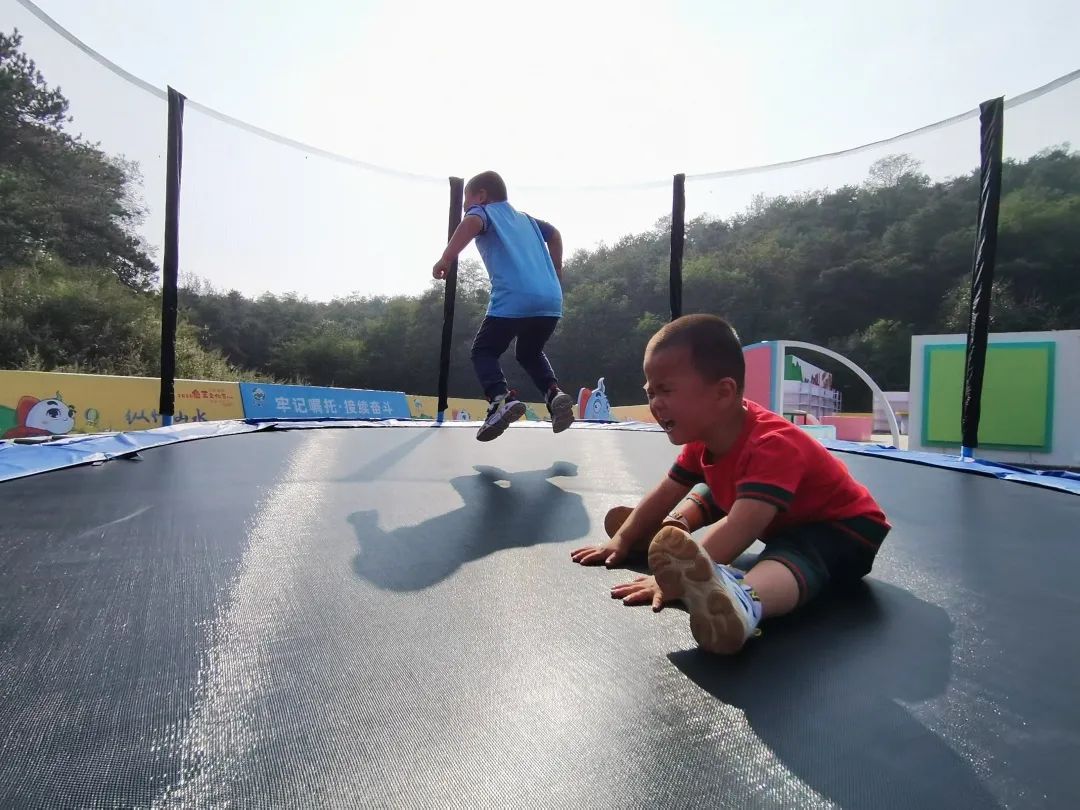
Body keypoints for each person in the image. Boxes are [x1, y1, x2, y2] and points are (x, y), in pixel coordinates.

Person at [570, 314, 891, 654]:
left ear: (723, 392)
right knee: (713, 484)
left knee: (794, 556)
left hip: (843, 531)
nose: (655, 403)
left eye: (665, 390)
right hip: (780, 514)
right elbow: (667, 490)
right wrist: (623, 538)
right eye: (650, 392)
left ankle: (746, 601)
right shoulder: (705, 438)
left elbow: (743, 526)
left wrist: (673, 580)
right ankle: (671, 529)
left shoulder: (772, 444)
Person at [433, 171, 574, 442]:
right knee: (529, 352)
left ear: (481, 196)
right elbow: (555, 234)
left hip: (515, 297)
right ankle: (554, 395)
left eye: (467, 199)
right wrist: (556, 268)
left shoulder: (483, 212)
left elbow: (472, 221)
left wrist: (446, 258)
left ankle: (500, 399)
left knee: (483, 350)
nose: (465, 206)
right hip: (550, 299)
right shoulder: (528, 221)